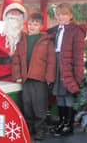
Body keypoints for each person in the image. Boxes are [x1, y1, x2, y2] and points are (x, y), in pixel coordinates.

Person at [12, 12, 56, 140]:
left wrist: (49, 78)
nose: (32, 26)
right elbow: (16, 59)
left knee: (39, 106)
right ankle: (29, 129)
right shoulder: (22, 40)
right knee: (27, 104)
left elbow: (51, 61)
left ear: (41, 26)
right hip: (26, 79)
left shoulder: (46, 41)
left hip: (40, 79)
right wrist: (17, 75)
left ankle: (40, 130)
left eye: (35, 24)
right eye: (30, 24)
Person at [48, 3, 87, 137]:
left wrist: (78, 77)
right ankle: (61, 122)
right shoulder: (54, 30)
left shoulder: (76, 31)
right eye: (58, 14)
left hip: (68, 68)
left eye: (64, 14)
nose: (61, 17)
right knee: (59, 95)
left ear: (70, 16)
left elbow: (78, 57)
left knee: (68, 95)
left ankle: (68, 125)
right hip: (56, 66)